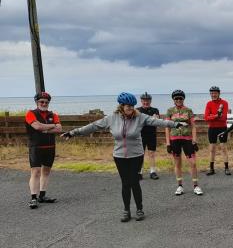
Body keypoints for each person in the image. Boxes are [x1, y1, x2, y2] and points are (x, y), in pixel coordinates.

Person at [61, 92, 186, 222]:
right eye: (128, 106)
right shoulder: (112, 118)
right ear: (121, 106)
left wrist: (175, 124)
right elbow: (93, 126)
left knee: (134, 182)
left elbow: (157, 121)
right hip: (119, 156)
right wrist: (72, 133)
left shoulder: (140, 117)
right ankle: (126, 210)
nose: (131, 109)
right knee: (125, 183)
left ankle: (139, 209)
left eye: (132, 106)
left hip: (136, 155)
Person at [25, 91, 62, 209]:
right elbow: (37, 126)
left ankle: (42, 196)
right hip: (35, 147)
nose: (44, 103)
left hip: (50, 147)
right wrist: (52, 126)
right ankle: (33, 198)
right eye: (41, 101)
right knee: (35, 172)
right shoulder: (30, 113)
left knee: (46, 172)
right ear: (37, 102)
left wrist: (44, 129)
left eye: (46, 102)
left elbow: (59, 129)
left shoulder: (53, 115)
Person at [165, 90, 202, 196]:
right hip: (174, 140)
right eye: (176, 98)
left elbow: (194, 126)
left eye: (180, 98)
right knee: (177, 163)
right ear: (173, 100)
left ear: (183, 99)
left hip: (187, 140)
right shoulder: (170, 111)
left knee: (193, 163)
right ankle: (180, 186)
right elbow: (167, 127)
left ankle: (196, 185)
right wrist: (168, 143)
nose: (178, 100)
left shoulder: (188, 110)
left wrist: (194, 141)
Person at [204, 86, 231, 176]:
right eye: (211, 93)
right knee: (212, 149)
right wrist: (216, 116)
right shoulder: (209, 103)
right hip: (212, 128)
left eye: (215, 93)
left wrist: (213, 116)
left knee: (223, 148)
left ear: (219, 93)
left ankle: (226, 168)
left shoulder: (224, 103)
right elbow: (206, 118)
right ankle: (211, 169)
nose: (213, 95)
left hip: (222, 128)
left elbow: (224, 118)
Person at [136, 92, 160, 180]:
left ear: (150, 101)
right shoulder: (137, 110)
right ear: (141, 101)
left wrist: (152, 120)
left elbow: (156, 121)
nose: (146, 102)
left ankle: (152, 172)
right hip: (140, 135)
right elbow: (136, 122)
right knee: (140, 154)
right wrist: (151, 119)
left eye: (148, 100)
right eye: (144, 101)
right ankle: (139, 172)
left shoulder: (155, 110)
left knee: (151, 153)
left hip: (151, 135)